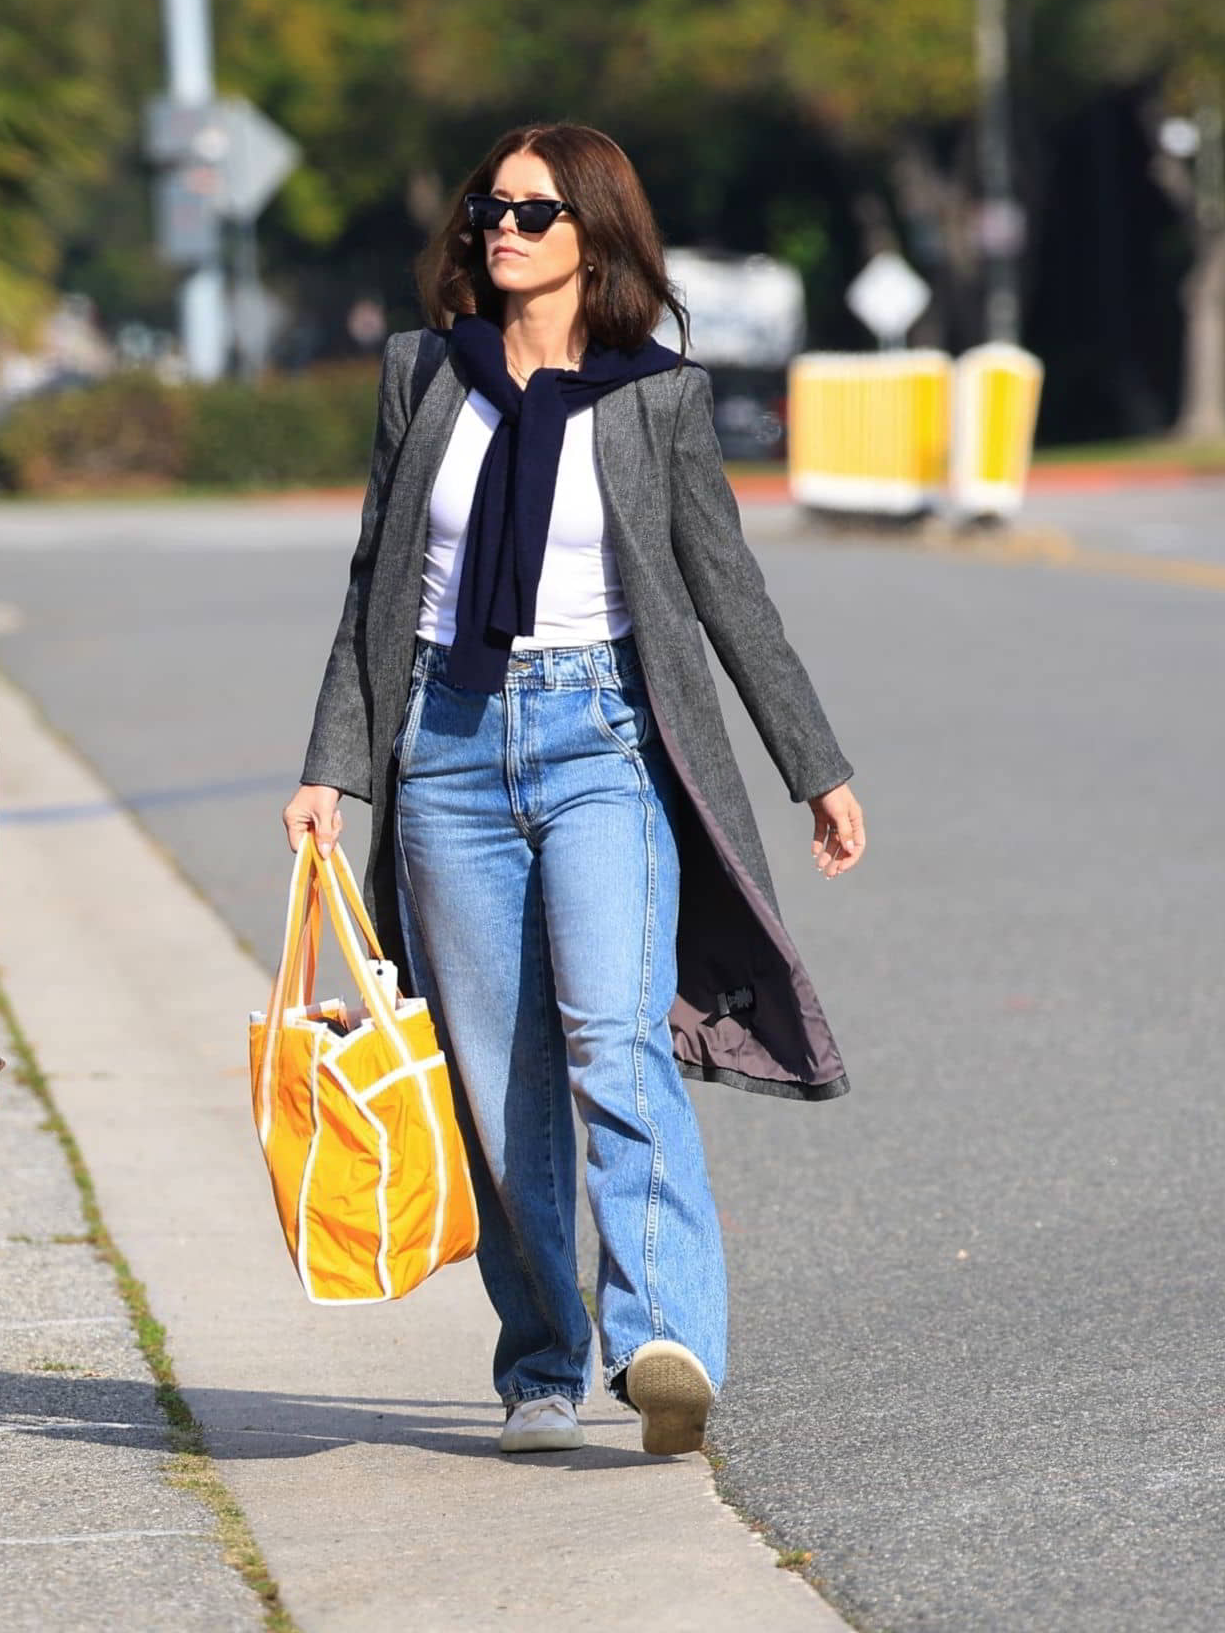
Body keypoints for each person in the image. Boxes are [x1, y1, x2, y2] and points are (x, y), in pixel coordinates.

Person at [283, 121, 866, 1458]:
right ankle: (540, 1362)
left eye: (534, 214)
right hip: (440, 748)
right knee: (499, 1084)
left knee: (611, 1033)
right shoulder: (424, 375)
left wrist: (814, 766)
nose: (502, 229)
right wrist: (330, 761)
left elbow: (729, 590)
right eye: (491, 207)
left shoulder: (652, 398)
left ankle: (663, 1338)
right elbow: (376, 585)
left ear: (592, 237)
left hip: (602, 740)